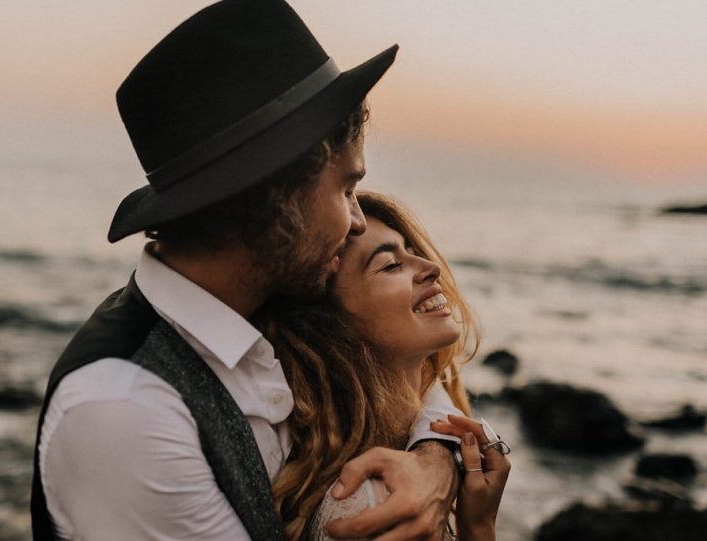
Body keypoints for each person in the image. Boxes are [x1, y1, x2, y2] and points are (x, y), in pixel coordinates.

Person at [30, 1, 468, 539]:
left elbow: (408, 373)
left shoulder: (264, 309)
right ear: (277, 197)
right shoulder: (125, 410)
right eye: (345, 189)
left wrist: (436, 457)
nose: (357, 221)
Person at [255, 191, 511, 540]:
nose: (431, 268)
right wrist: (480, 528)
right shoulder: (377, 503)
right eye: (391, 264)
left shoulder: (408, 427)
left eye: (412, 251)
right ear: (330, 327)